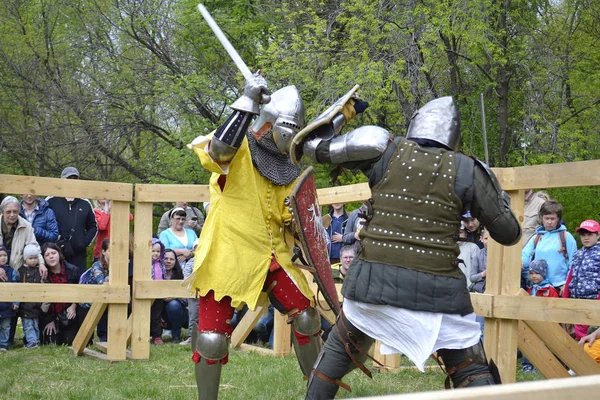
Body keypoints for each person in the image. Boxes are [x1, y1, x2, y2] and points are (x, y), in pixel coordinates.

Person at [297, 96, 521, 397]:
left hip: (372, 282)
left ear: (415, 122)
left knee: (337, 354)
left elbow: (311, 146)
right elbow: (509, 233)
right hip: (438, 288)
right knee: (471, 371)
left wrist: (343, 114)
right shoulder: (468, 169)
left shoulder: (382, 147)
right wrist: (494, 190)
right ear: (454, 137)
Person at [187, 73, 327, 399]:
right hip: (229, 253)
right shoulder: (236, 151)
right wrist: (247, 101)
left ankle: (317, 392)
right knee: (212, 338)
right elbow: (217, 152)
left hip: (273, 255)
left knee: (307, 316)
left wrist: (300, 225)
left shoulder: (284, 166)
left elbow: (287, 212)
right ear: (270, 124)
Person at [46, 167, 98, 275]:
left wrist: (84, 242)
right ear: (62, 180)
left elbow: (93, 226)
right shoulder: (51, 200)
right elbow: (42, 223)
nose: (72, 181)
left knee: (78, 286)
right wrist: (49, 244)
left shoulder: (85, 202)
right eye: (69, 178)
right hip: (55, 254)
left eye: (75, 178)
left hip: (78, 255)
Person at [521, 200, 577, 294]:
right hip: (539, 287)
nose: (549, 222)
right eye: (546, 218)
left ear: (558, 219)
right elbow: (525, 255)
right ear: (541, 218)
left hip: (559, 287)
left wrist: (567, 285)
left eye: (552, 218)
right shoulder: (536, 237)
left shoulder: (566, 237)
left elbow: (574, 263)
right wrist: (521, 261)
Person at [562, 220, 600, 341]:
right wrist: (565, 300)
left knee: (592, 339)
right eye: (583, 235)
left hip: (594, 302)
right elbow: (571, 276)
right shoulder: (578, 254)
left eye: (589, 234)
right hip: (577, 302)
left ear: (598, 235)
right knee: (580, 338)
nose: (586, 237)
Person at [39, 242, 81, 345]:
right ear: (43, 259)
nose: (51, 256)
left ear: (59, 254)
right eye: (47, 255)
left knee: (69, 341)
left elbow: (80, 292)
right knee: (50, 341)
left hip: (68, 313)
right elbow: (40, 301)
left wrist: (74, 305)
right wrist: (48, 320)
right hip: (50, 314)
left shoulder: (73, 270)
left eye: (53, 253)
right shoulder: (42, 274)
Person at [0, 196, 45, 273]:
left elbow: (34, 246)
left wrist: (41, 263)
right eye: (8, 212)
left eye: (15, 211)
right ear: (2, 212)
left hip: (16, 271)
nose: (12, 215)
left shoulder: (26, 225)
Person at [79, 238, 110, 342]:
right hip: (88, 301)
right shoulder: (97, 265)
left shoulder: (117, 265)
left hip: (104, 299)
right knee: (87, 340)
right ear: (103, 252)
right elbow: (102, 283)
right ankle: (101, 336)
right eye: (110, 251)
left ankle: (105, 336)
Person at [18, 244, 45, 349]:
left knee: (35, 324)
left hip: (36, 304)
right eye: (30, 258)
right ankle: (31, 341)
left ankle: (36, 340)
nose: (33, 260)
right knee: (28, 324)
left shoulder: (40, 271)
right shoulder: (21, 271)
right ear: (25, 259)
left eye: (35, 258)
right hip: (25, 305)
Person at [161, 249, 188, 343]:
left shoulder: (181, 275)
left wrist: (175, 296)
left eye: (171, 259)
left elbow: (186, 301)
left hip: (178, 313)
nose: (168, 261)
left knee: (173, 304)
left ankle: (176, 336)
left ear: (175, 262)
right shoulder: (154, 274)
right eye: (166, 258)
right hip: (158, 313)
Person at [0, 245, 19, 351]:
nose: (3, 258)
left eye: (5, 255)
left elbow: (16, 289)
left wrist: (16, 302)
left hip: (7, 305)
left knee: (6, 326)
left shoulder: (13, 272)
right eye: (0, 256)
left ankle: (3, 344)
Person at [181, 238, 200, 346]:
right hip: (193, 293)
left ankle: (203, 338)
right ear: (193, 251)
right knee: (193, 315)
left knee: (204, 316)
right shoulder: (191, 263)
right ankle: (191, 337)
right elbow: (186, 276)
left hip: (206, 293)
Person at [150, 238, 167, 345]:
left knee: (157, 315)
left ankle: (157, 336)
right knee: (146, 314)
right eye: (153, 251)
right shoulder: (146, 264)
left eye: (158, 251)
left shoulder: (161, 264)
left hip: (159, 293)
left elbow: (163, 277)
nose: (155, 254)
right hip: (148, 292)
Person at [458, 222, 480, 288]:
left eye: (460, 232)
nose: (457, 235)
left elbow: (477, 270)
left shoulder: (473, 247)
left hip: (468, 287)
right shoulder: (449, 247)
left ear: (466, 233)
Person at [469, 229, 489, 294]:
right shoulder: (477, 255)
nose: (489, 241)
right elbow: (472, 278)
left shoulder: (501, 255)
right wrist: (483, 274)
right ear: (481, 239)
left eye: (492, 239)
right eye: (486, 238)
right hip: (480, 289)